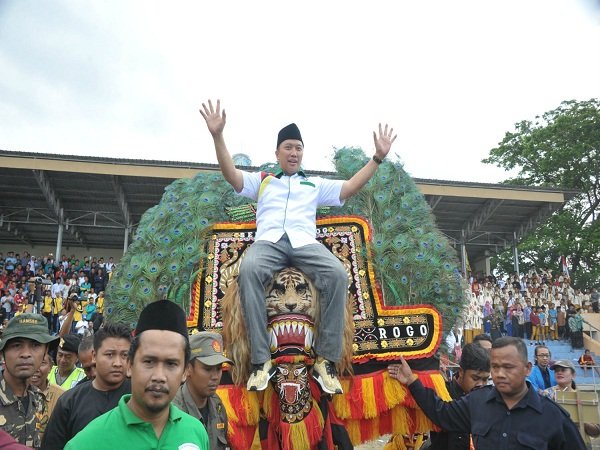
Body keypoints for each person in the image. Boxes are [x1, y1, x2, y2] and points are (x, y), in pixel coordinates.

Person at [200, 99, 397, 394]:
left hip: (305, 244)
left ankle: (325, 361)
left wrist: (377, 159)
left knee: (338, 275)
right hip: (269, 243)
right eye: (288, 147)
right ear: (277, 152)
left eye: (298, 148)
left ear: (302, 153)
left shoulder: (315, 185)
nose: (294, 152)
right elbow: (232, 175)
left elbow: (350, 187)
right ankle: (260, 361)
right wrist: (218, 136)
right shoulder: (264, 181)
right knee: (249, 270)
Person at [387, 336, 586, 449]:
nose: (500, 374)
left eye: (508, 367)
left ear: (527, 368)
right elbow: (441, 412)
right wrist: (412, 381)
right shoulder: (477, 402)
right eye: (496, 367)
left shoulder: (553, 416)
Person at [64, 300, 209, 450]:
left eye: (171, 364)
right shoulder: (87, 443)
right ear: (130, 365)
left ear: (185, 371)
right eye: (149, 361)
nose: (159, 376)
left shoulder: (196, 432)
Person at [42, 323, 132, 450]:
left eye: (124, 355)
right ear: (94, 356)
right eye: (110, 354)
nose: (117, 363)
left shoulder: (140, 398)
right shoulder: (69, 401)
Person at [400, 343, 490, 450]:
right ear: (461, 372)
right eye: (475, 378)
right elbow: (435, 408)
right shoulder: (442, 393)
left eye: (485, 379)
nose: (480, 384)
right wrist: (411, 380)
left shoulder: (489, 399)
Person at [0, 313, 59, 448]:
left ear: (46, 352)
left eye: (35, 345)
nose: (26, 354)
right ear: (2, 352)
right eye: (16, 345)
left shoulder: (38, 399)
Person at [173, 331, 232, 449]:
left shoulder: (217, 405)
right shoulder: (173, 411)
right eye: (208, 369)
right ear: (188, 369)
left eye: (218, 368)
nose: (215, 376)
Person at [542, 360, 600, 439]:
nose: (559, 372)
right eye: (556, 371)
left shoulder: (583, 398)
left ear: (573, 375)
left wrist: (581, 422)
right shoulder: (546, 394)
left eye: (563, 370)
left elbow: (596, 432)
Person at [29, 353, 64, 443]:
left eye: (42, 363)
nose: (36, 368)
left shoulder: (63, 396)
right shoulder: (11, 393)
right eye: (31, 363)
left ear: (51, 367)